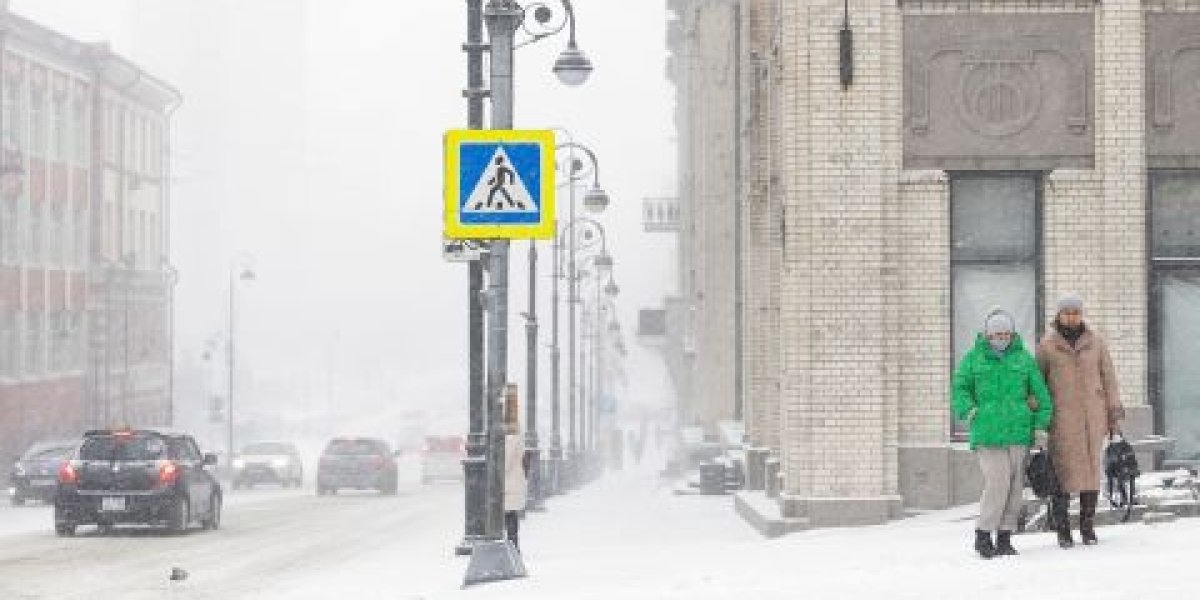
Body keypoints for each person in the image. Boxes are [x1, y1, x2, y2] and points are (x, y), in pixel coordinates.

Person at [952, 309, 1053, 559]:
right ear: (987, 334)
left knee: (1015, 486)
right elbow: (960, 389)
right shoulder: (973, 359)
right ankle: (984, 534)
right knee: (997, 483)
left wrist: (1040, 426)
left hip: (1019, 432)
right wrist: (971, 411)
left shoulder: (1023, 359)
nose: (1002, 338)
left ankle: (1005, 536)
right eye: (997, 334)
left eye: (1006, 333)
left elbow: (1042, 397)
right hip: (987, 433)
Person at [1036, 294, 1124, 548]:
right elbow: (1037, 386)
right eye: (1067, 312)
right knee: (1061, 476)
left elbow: (1109, 379)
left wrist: (1113, 414)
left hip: (1093, 419)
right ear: (1059, 315)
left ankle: (1087, 527)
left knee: (1090, 474)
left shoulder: (1096, 343)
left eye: (1076, 312)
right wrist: (1039, 419)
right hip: (1061, 422)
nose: (1072, 316)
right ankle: (1063, 531)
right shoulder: (1047, 346)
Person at [502, 387, 528, 552]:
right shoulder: (514, 429)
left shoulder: (511, 432)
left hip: (509, 484)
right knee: (511, 519)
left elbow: (506, 460)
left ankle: (512, 549)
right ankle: (512, 548)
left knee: (509, 518)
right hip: (514, 482)